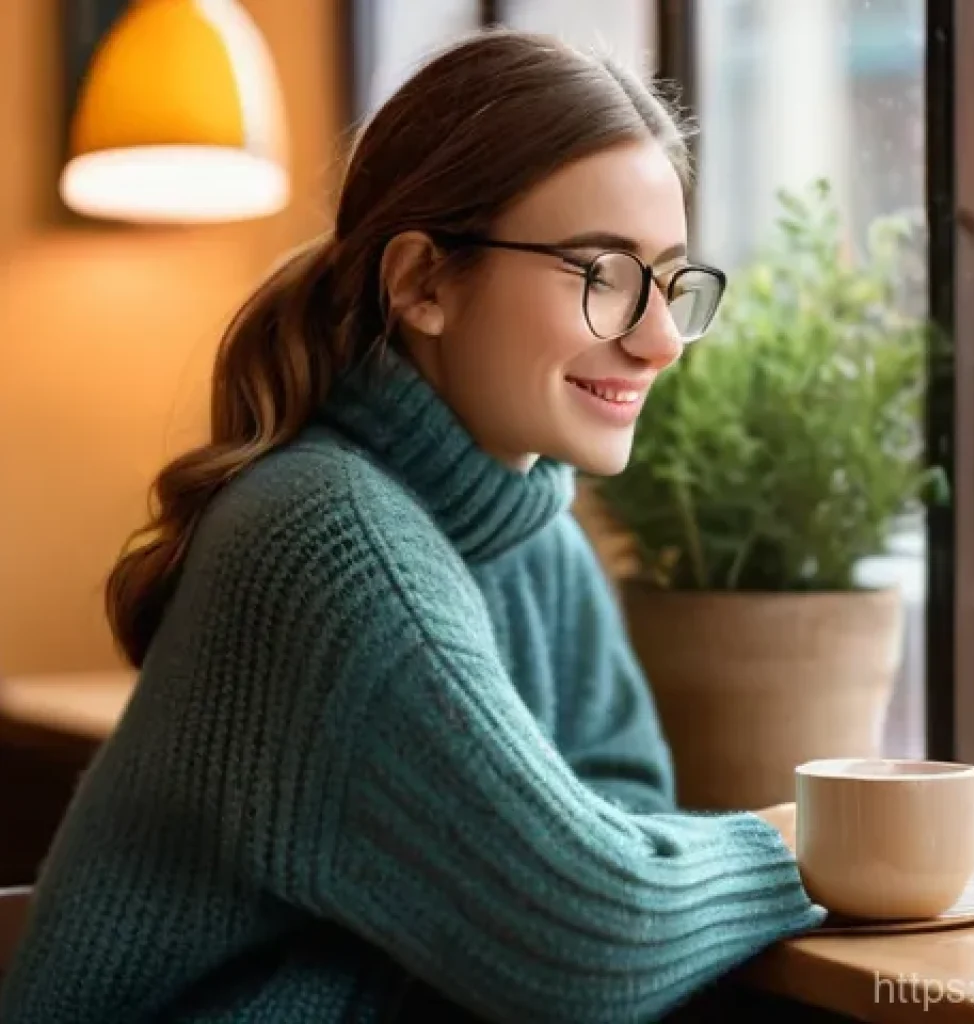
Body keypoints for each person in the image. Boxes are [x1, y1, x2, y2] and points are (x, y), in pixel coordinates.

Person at [0, 28, 825, 1024]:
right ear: (422, 283)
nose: (657, 340)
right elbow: (592, 931)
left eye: (671, 282)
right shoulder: (322, 538)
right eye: (601, 274)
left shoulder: (538, 537)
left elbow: (625, 821)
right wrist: (811, 840)